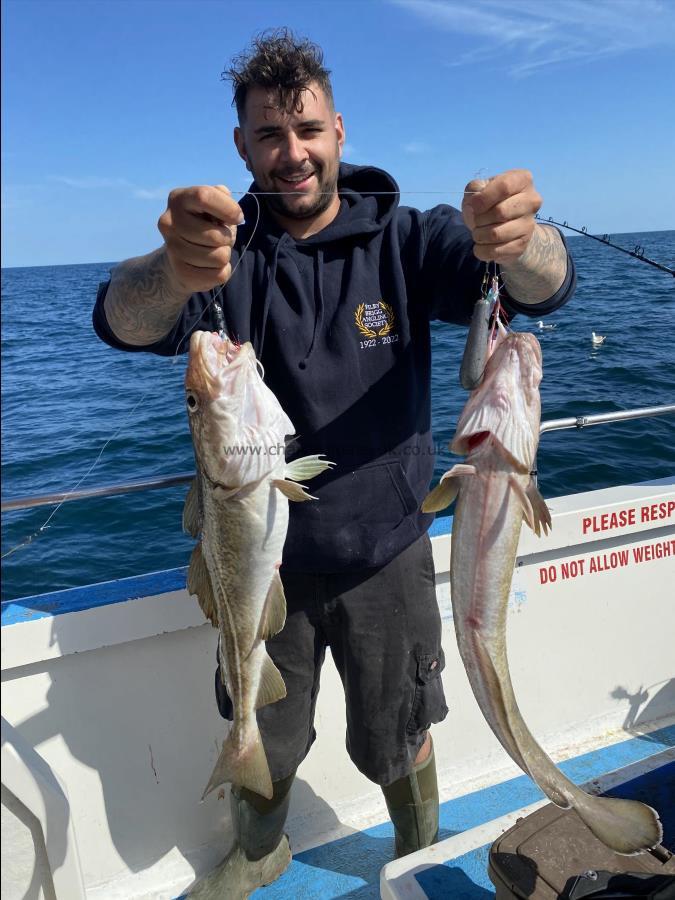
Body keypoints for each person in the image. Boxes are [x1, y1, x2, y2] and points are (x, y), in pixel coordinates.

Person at [93, 29, 575, 898]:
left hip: (387, 545)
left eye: (307, 130)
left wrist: (524, 237)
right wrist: (170, 269)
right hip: (259, 555)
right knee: (262, 734)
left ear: (339, 130)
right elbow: (124, 321)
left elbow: (538, 288)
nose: (293, 153)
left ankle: (419, 851)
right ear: (241, 145)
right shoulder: (221, 251)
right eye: (270, 136)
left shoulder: (405, 237)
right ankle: (258, 850)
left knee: (402, 726)